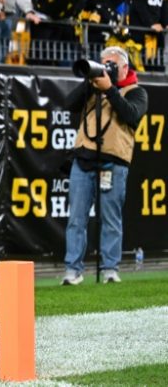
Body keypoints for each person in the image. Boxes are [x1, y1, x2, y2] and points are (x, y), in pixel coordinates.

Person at [62, 46, 148, 285]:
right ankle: (73, 270)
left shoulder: (136, 92)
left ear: (123, 67)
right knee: (76, 218)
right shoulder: (92, 89)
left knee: (111, 218)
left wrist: (110, 89)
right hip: (84, 159)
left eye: (110, 64)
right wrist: (90, 83)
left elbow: (131, 115)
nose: (105, 68)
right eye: (102, 63)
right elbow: (68, 105)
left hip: (114, 161)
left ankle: (110, 268)